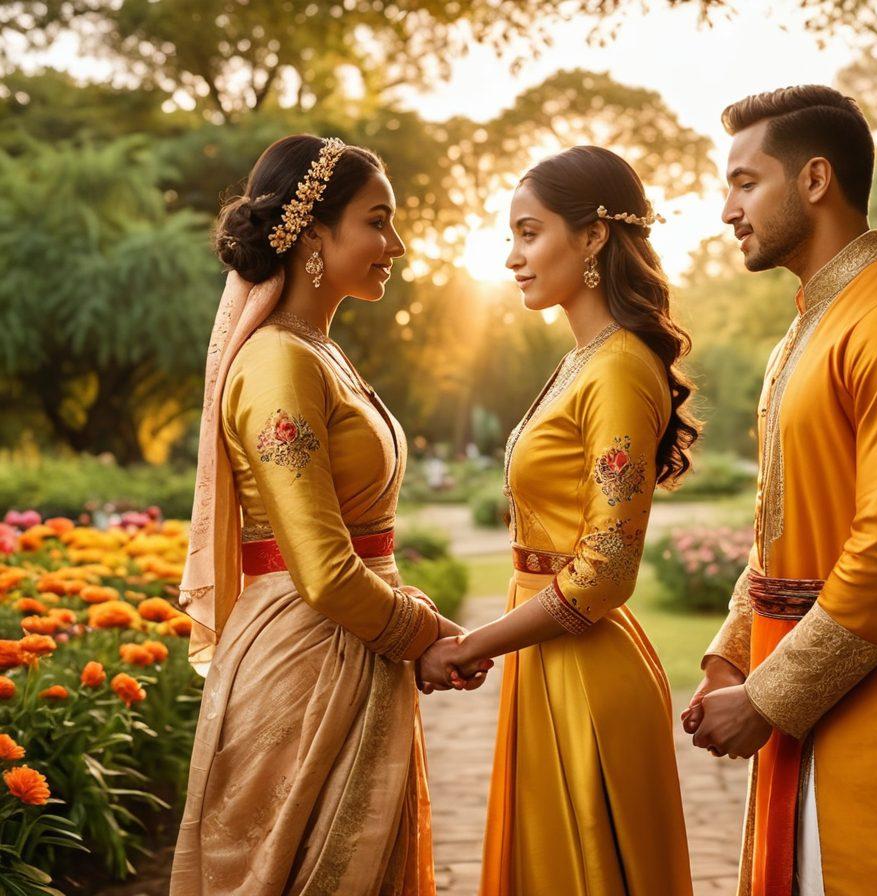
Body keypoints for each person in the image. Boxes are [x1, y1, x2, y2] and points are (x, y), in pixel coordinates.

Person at [683, 86, 877, 896]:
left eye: (745, 182)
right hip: (808, 684)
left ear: (815, 179)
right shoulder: (810, 325)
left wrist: (767, 698)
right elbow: (782, 532)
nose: (727, 210)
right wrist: (728, 660)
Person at [171, 134, 486, 894]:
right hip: (306, 656)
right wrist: (429, 635)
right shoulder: (278, 360)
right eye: (378, 221)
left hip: (349, 644)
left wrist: (411, 630)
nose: (397, 245)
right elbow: (321, 567)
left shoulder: (318, 351)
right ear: (315, 233)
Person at [419, 146, 697, 896]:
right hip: (550, 657)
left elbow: (605, 571)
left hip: (585, 677)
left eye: (529, 231)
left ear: (594, 237)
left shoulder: (616, 368)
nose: (512, 256)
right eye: (511, 236)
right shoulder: (585, 359)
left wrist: (472, 644)